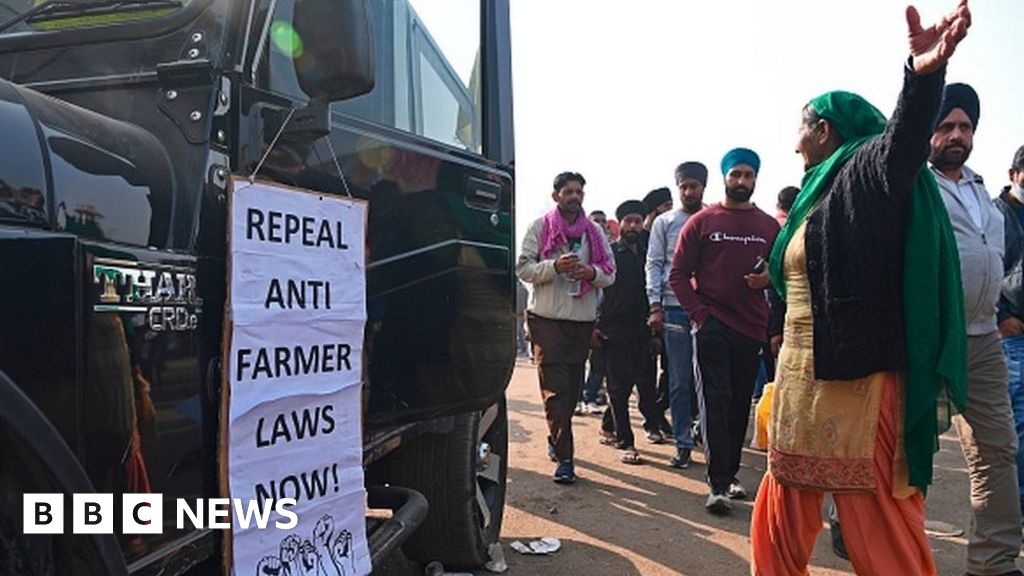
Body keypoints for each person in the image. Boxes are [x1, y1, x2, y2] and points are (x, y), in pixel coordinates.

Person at [750, 3, 971, 574]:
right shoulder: (814, 194)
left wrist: (921, 78)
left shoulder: (864, 171)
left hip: (861, 384)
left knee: (877, 517)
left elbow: (899, 145)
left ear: (825, 130)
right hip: (801, 378)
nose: (795, 142)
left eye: (801, 128)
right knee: (783, 498)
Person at [930, 83, 1024, 576]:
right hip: (925, 339)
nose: (956, 135)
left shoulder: (980, 189)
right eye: (945, 126)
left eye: (965, 127)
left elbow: (998, 259)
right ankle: (866, 538)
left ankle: (993, 560)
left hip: (984, 336)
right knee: (900, 448)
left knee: (997, 448)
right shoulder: (913, 186)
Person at [669, 147, 780, 514]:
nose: (742, 182)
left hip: (751, 329)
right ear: (725, 178)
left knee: (737, 406)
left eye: (748, 175)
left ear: (756, 180)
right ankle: (717, 483)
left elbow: (783, 274)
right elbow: (678, 274)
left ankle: (730, 475)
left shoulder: (768, 226)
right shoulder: (703, 222)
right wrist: (699, 315)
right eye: (736, 175)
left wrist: (768, 278)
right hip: (712, 325)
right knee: (714, 402)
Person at [516, 171, 616, 484]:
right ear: (556, 195)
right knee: (555, 393)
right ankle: (566, 459)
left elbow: (609, 273)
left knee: (571, 392)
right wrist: (554, 267)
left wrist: (589, 272)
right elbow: (523, 268)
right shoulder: (540, 226)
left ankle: (556, 438)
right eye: (568, 191)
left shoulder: (595, 233)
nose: (574, 196)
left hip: (581, 322)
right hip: (546, 320)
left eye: (578, 192)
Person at [647, 161, 707, 468]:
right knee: (680, 380)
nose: (688, 191)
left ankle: (709, 441)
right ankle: (683, 442)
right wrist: (655, 306)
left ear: (703, 188)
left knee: (709, 380)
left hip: (710, 309)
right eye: (683, 186)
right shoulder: (664, 222)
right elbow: (655, 264)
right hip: (673, 309)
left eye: (693, 186)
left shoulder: (715, 219)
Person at [595, 200, 655, 465]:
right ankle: (626, 442)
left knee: (635, 381)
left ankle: (608, 426)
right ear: (618, 224)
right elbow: (595, 290)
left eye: (637, 221)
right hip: (613, 328)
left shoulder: (649, 254)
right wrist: (594, 325)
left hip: (643, 327)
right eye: (628, 221)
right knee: (619, 386)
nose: (633, 226)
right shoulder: (607, 254)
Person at [997, 144, 1024, 522]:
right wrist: (1001, 316)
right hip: (1011, 337)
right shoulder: (997, 214)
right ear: (1014, 174)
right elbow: (985, 269)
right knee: (1016, 428)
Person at [578, 210, 614, 414]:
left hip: (604, 314)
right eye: (596, 221)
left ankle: (590, 396)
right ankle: (579, 398)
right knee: (578, 360)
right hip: (582, 309)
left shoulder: (610, 251)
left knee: (598, 362)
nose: (600, 224)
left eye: (603, 221)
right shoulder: (582, 245)